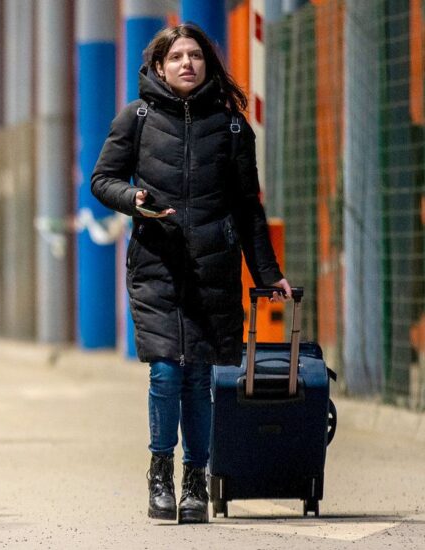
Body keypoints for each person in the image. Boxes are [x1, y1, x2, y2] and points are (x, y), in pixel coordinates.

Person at [91, 24, 292, 524]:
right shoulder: (135, 118)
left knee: (199, 376)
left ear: (208, 64)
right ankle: (160, 471)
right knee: (165, 371)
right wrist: (133, 200)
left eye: (196, 56)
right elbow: (102, 180)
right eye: (177, 56)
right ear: (159, 66)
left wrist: (268, 275)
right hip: (156, 266)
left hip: (212, 269)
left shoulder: (231, 128)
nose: (187, 64)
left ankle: (194, 481)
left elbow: (248, 210)